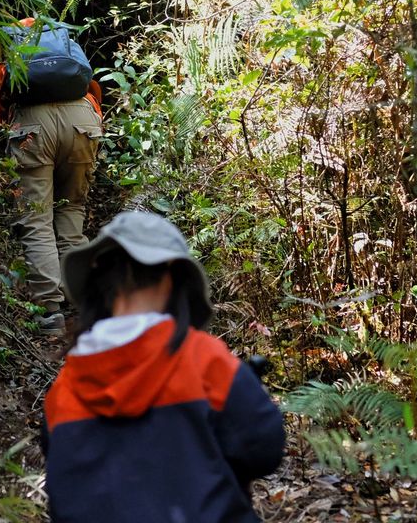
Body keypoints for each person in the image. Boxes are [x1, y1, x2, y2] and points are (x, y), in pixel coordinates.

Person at [42, 210, 285, 522]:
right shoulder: (204, 360)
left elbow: (64, 490)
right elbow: (265, 448)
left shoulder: (62, 392)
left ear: (99, 279)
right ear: (172, 276)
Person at [0, 18, 104, 335]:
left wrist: (1, 131)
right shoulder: (68, 49)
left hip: (34, 128)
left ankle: (51, 313)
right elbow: (93, 89)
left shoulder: (13, 53)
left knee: (36, 218)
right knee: (72, 210)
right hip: (82, 121)